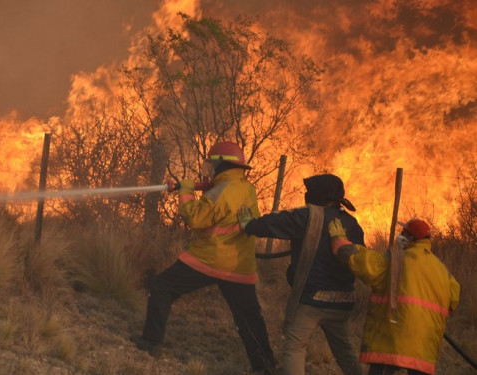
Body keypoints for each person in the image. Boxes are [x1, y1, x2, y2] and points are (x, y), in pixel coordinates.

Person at [131, 141, 276, 374]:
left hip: (209, 259)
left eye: (211, 164)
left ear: (220, 165)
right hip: (240, 264)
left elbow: (196, 219)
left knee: (162, 287)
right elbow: (222, 200)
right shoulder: (244, 187)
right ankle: (265, 366)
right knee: (249, 317)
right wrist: (198, 186)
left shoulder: (221, 190)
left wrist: (186, 192)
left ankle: (150, 342)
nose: (208, 169)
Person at [237, 174, 364, 375]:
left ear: (318, 194)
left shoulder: (308, 216)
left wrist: (249, 224)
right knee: (345, 350)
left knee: (294, 346)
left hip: (314, 300)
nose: (306, 195)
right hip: (343, 300)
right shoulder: (351, 223)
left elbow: (274, 223)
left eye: (310, 191)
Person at [328, 217, 460, 375]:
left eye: (404, 232)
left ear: (411, 238)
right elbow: (454, 299)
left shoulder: (395, 260)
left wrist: (339, 242)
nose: (400, 235)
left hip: (393, 339)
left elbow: (363, 262)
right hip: (424, 346)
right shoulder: (442, 270)